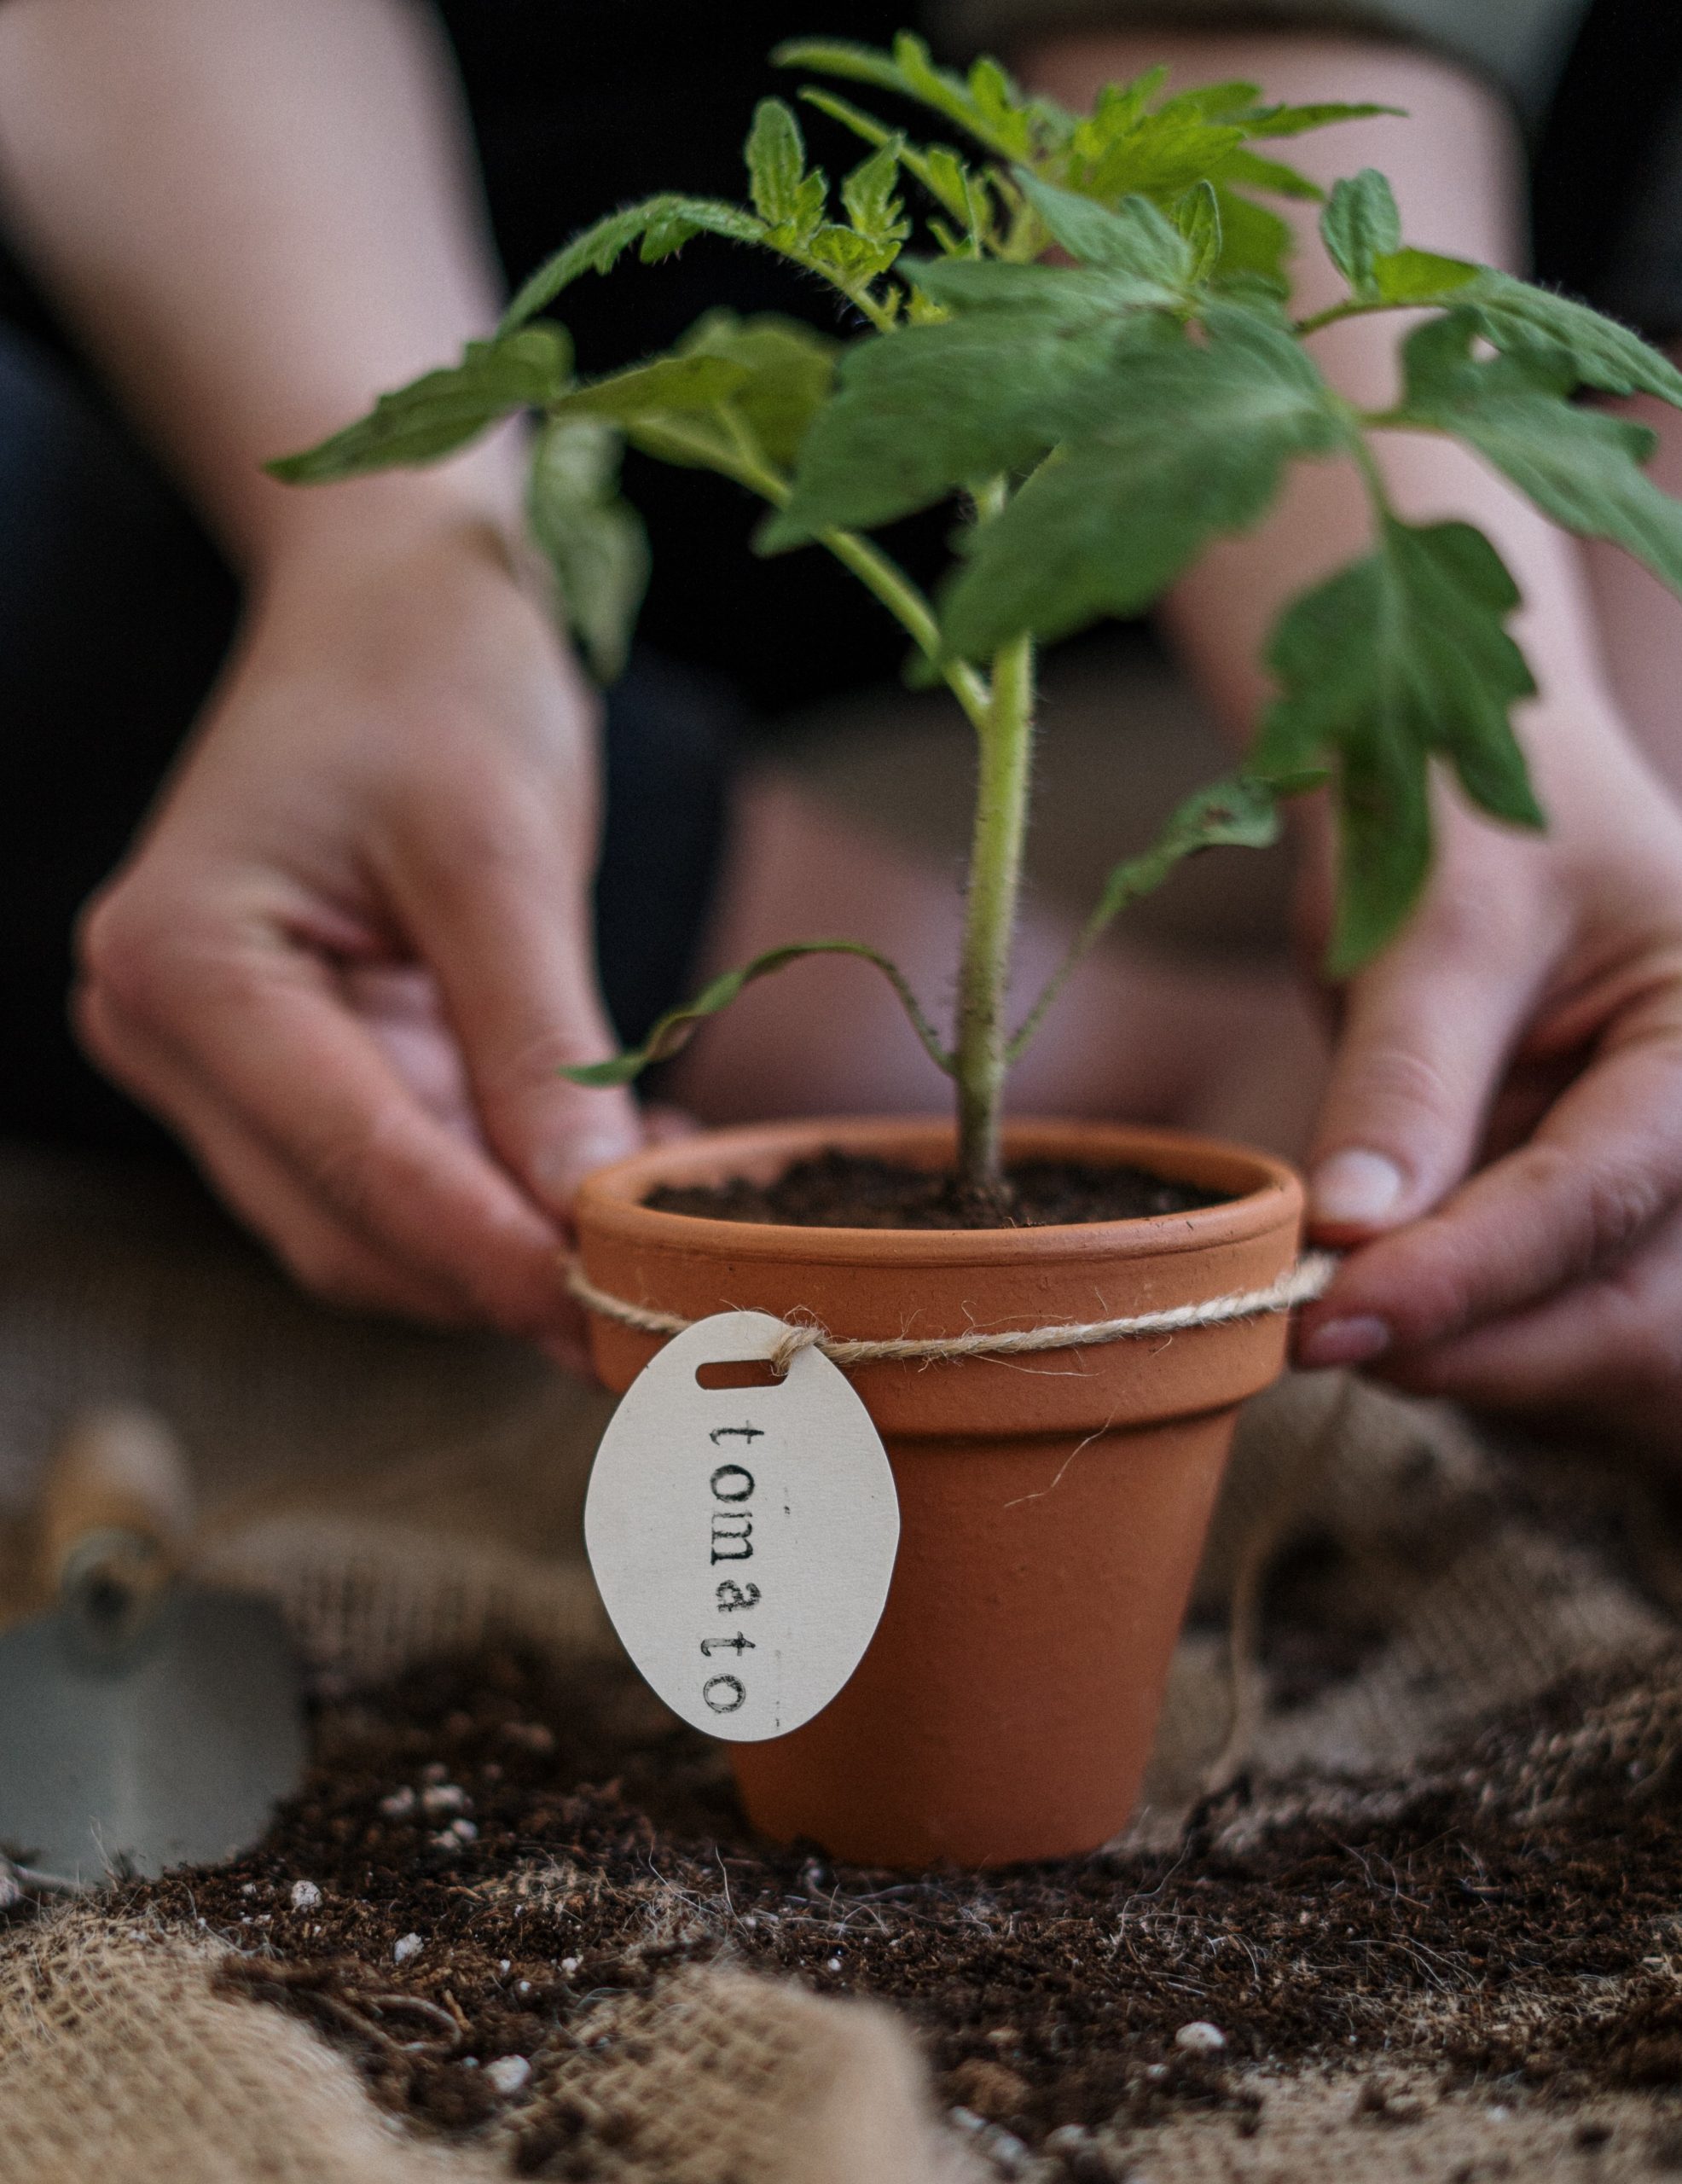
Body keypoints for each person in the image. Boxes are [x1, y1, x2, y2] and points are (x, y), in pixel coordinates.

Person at [3, 0, 1682, 1453]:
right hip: (335, 301)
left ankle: (1537, 967)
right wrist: (393, 552)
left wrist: (1484, 770)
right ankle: (1129, 1056)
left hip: (1277, 306)